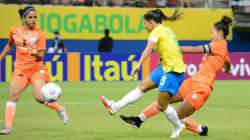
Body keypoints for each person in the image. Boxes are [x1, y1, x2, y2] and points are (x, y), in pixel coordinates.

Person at [120, 16, 232, 137]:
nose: (211, 35)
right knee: (163, 101)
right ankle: (138, 120)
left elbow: (194, 49)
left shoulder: (218, 45)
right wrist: (227, 69)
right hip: (193, 82)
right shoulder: (222, 46)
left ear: (220, 33)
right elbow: (227, 61)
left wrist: (173, 48)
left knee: (176, 116)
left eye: (212, 32)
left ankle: (199, 129)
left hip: (202, 87)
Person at [100, 9, 186, 138]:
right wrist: (161, 60)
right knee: (142, 87)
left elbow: (148, 49)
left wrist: (138, 64)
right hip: (165, 67)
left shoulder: (155, 32)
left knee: (162, 105)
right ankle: (115, 107)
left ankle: (178, 126)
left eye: (145, 23)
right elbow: (171, 48)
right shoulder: (167, 30)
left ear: (151, 22)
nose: (144, 26)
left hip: (173, 71)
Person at [0, 6, 69, 135]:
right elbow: (9, 45)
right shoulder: (14, 31)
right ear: (24, 18)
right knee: (13, 95)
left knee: (38, 97)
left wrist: (33, 52)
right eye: (30, 17)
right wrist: (1, 57)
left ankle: (59, 108)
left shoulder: (40, 34)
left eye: (35, 17)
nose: (33, 20)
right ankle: (8, 128)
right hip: (20, 69)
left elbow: (41, 56)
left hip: (37, 69)